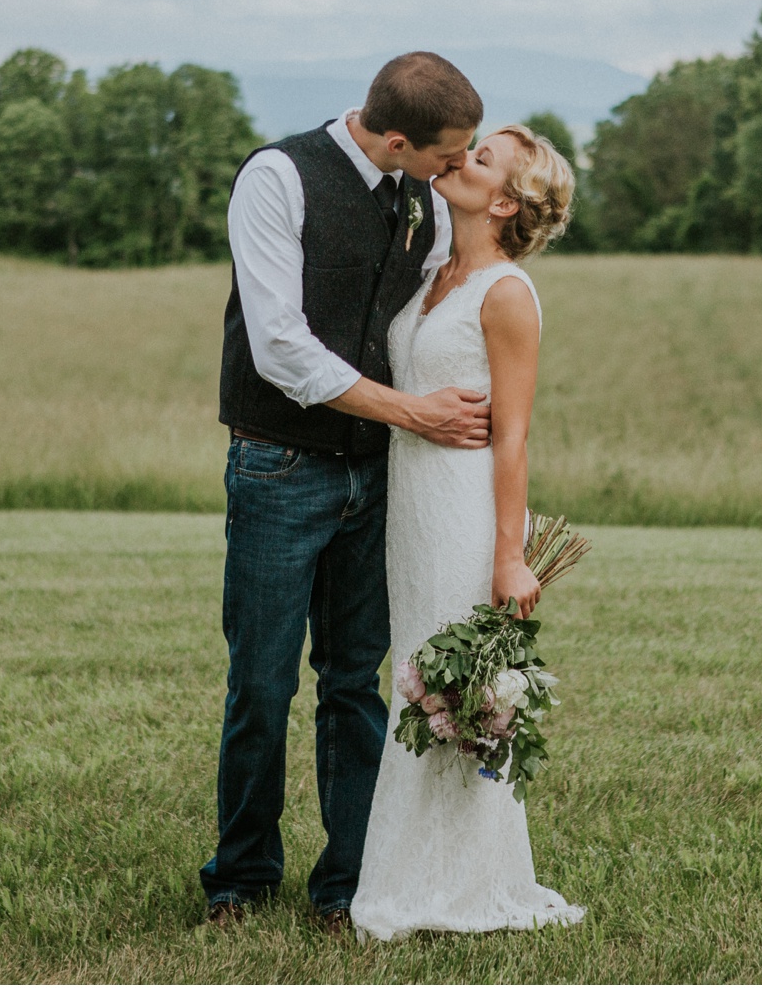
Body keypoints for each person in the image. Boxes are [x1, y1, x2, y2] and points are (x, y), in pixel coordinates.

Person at [202, 52, 489, 933]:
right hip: (281, 465)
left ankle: (348, 884)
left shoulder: (424, 204)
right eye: (447, 155)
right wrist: (413, 411)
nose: (455, 171)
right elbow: (279, 345)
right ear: (398, 138)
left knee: (354, 683)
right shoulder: (278, 177)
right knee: (259, 681)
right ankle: (241, 877)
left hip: (380, 477)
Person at [349, 123, 584, 942]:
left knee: (449, 689)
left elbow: (513, 435)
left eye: (480, 159)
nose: (459, 159)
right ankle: (413, 871)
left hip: (463, 511)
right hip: (409, 507)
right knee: (413, 679)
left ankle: (460, 885)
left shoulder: (507, 293)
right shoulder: (435, 272)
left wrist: (511, 554)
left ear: (510, 201)